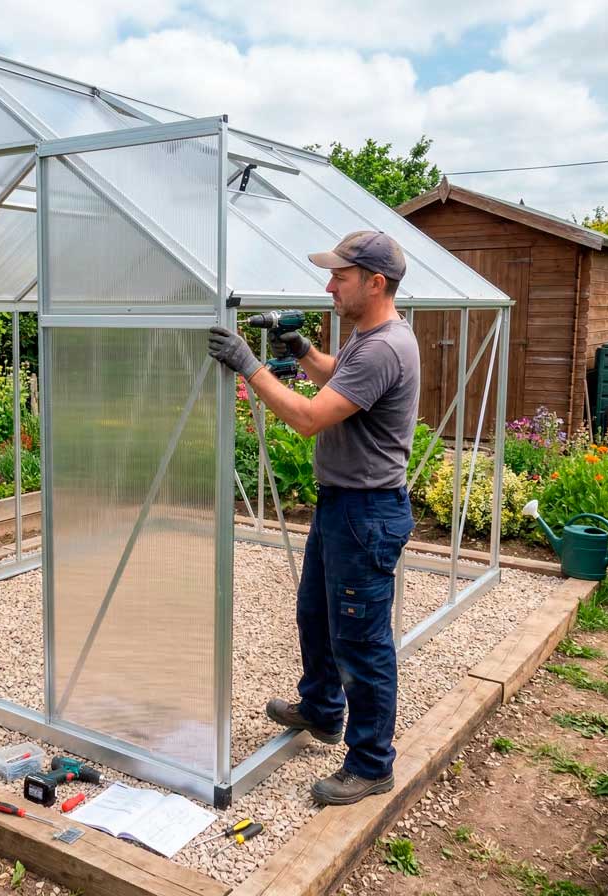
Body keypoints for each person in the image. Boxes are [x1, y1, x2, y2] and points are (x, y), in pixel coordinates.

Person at [208, 230, 420, 806]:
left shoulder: (383, 347)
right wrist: (302, 350)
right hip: (344, 506)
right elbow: (338, 382)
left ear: (375, 283)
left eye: (340, 277)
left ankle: (372, 763)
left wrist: (250, 367)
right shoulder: (368, 338)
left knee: (362, 642)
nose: (329, 285)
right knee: (317, 617)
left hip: (366, 511)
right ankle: (323, 711)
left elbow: (307, 417)